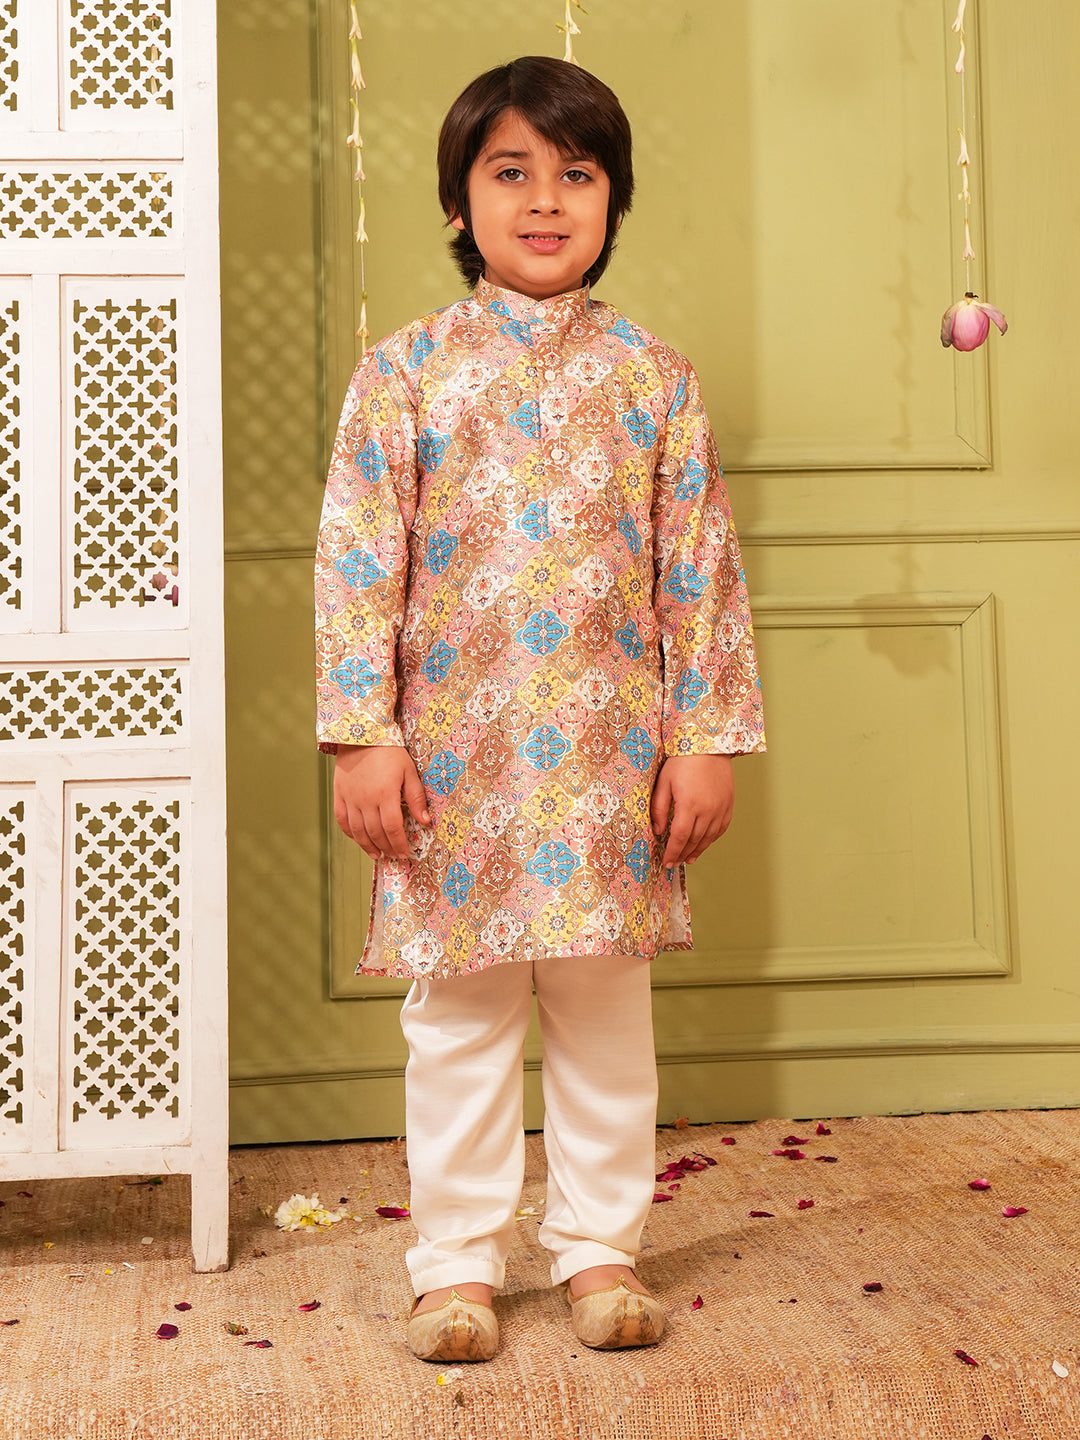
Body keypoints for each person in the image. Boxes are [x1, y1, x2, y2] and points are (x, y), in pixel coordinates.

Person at [314, 54, 765, 1364]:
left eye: (577, 173)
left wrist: (707, 741)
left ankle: (599, 1249)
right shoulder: (405, 373)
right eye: (511, 172)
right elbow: (354, 566)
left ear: (613, 199)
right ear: (460, 203)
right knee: (459, 1018)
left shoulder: (654, 377)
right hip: (451, 764)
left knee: (605, 1012)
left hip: (613, 761)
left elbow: (699, 570)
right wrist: (362, 734)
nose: (546, 200)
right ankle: (455, 1262)